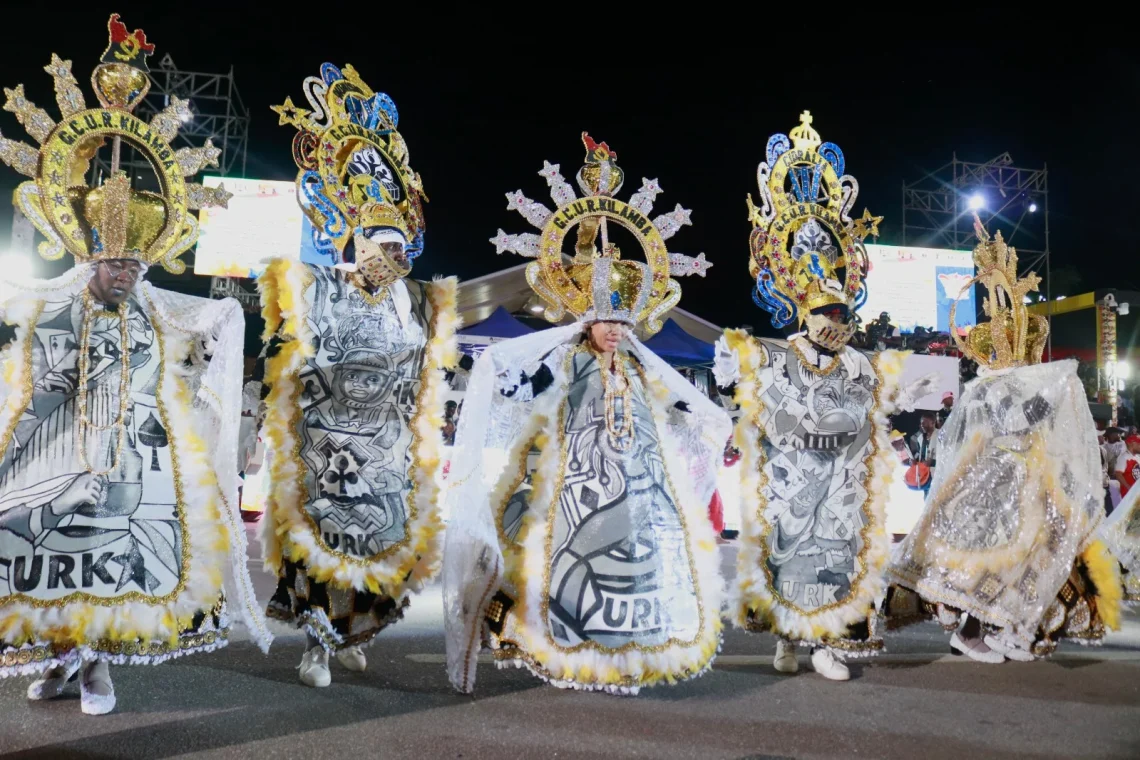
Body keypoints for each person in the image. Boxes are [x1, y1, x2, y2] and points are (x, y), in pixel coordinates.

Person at [0, 16, 269, 715]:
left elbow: (207, 326)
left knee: (113, 568)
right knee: (50, 566)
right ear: (90, 257)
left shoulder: (155, 309)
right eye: (117, 262)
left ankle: (96, 670)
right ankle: (64, 663)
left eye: (137, 263)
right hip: (54, 456)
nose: (127, 273)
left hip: (132, 465)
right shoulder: (56, 306)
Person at [443, 134, 730, 695]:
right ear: (587, 322)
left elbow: (678, 406)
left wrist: (706, 417)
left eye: (623, 323)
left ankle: (625, 652)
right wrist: (503, 375)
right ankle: (565, 644)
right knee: (567, 566)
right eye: (607, 321)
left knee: (634, 568)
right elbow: (525, 385)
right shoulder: (567, 360)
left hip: (640, 489)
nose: (616, 330)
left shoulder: (643, 368)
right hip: (575, 488)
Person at [253, 63, 458, 687]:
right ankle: (316, 644)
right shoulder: (317, 290)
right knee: (324, 548)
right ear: (357, 243)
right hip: (327, 446)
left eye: (402, 250)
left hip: (389, 454)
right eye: (383, 247)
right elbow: (282, 353)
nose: (394, 259)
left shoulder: (418, 302)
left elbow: (430, 374)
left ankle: (351, 634)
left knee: (379, 550)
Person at [714, 112, 935, 681]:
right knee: (788, 563)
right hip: (789, 483)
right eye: (827, 313)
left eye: (844, 313)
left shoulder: (860, 361)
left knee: (839, 564)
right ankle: (786, 643)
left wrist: (894, 410)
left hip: (842, 484)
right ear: (805, 313)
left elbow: (879, 407)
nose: (837, 322)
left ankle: (827, 646)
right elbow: (746, 399)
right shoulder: (774, 354)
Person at [886, 215, 1120, 663]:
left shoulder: (1016, 387)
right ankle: (969, 631)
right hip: (991, 489)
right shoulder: (989, 390)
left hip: (1026, 486)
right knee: (985, 562)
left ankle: (1008, 629)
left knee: (1033, 558)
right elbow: (1008, 423)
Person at [909, 412, 939, 496]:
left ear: (933, 423)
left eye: (924, 422)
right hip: (925, 477)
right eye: (921, 423)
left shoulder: (941, 435)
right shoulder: (920, 438)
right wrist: (913, 462)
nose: (922, 425)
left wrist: (932, 462)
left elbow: (947, 456)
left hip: (937, 476)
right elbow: (919, 455)